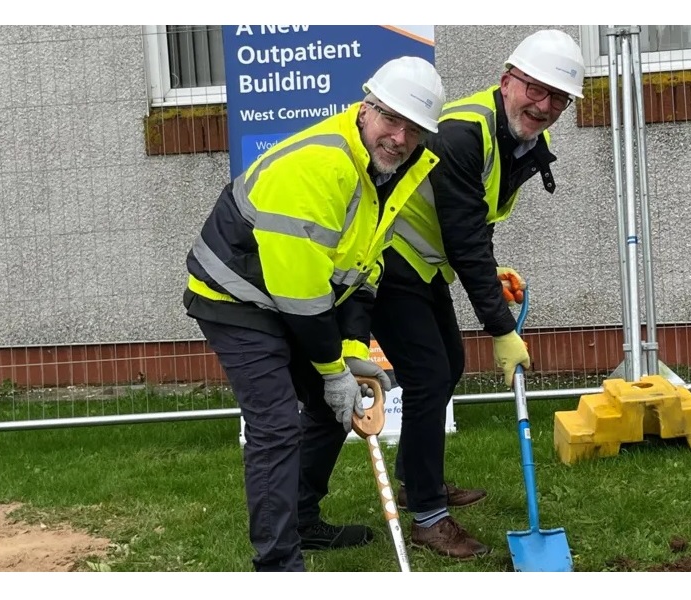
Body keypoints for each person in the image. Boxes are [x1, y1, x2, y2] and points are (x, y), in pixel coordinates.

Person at [183, 56, 445, 572]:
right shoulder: (322, 166)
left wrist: (350, 353)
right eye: (390, 118)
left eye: (414, 128)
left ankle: (301, 521)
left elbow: (364, 271)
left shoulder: (395, 171)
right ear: (366, 107)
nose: (399, 135)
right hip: (235, 296)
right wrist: (330, 371)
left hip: (292, 299)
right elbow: (299, 290)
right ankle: (279, 564)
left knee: (332, 408)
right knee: (277, 424)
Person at [369, 30, 585, 559]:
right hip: (387, 257)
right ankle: (427, 516)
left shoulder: (524, 142)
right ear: (507, 81)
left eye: (559, 97)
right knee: (428, 374)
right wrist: (502, 329)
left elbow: (476, 221)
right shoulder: (464, 133)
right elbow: (465, 238)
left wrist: (493, 271)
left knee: (449, 364)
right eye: (536, 89)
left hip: (423, 264)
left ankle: (420, 479)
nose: (545, 105)